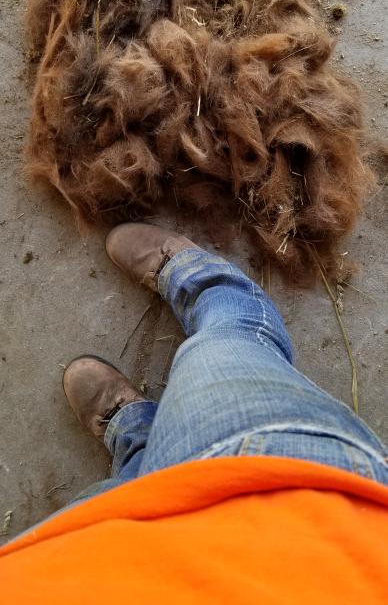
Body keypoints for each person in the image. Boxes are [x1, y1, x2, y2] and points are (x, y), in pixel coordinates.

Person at [1, 224, 388, 603]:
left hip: (88, 558)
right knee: (222, 349)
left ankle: (137, 441)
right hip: (307, 521)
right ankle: (204, 283)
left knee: (134, 488)